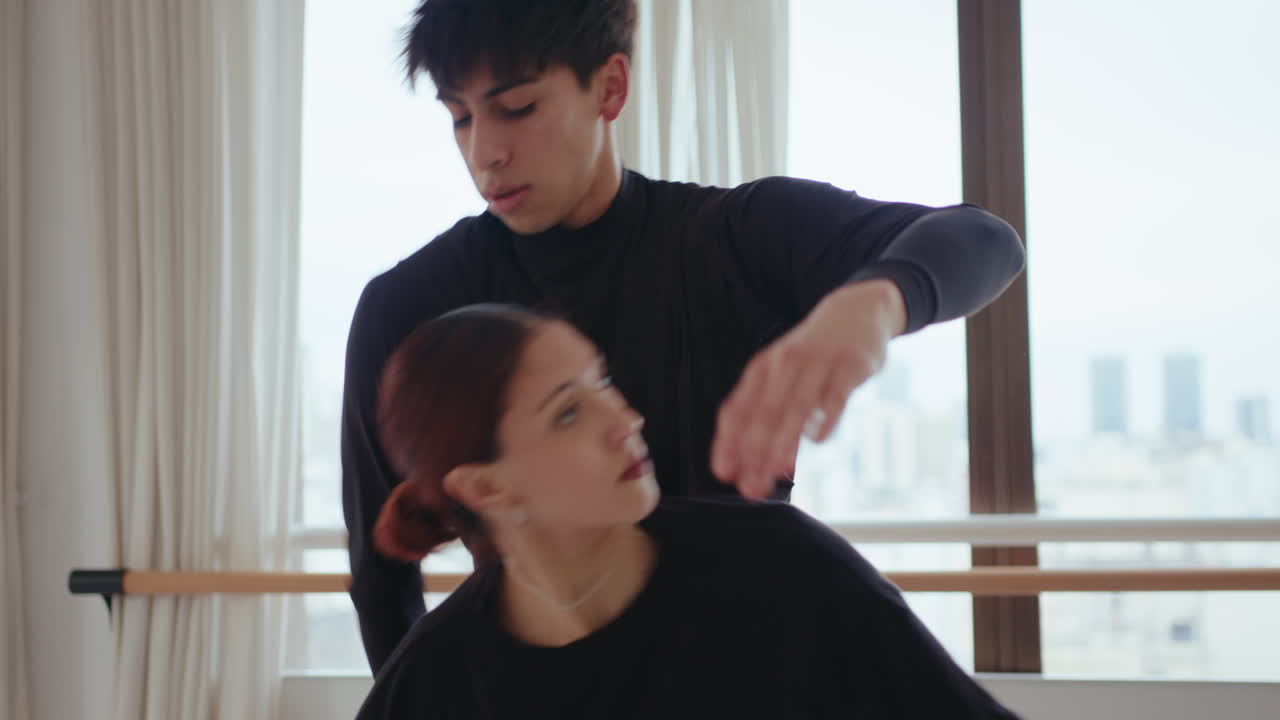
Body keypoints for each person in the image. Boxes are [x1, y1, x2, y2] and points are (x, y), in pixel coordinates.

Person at [343, 0, 1026, 672]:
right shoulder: (408, 307)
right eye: (459, 117)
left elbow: (984, 240)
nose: (484, 152)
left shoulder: (733, 241)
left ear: (610, 87)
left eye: (517, 107)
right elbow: (383, 587)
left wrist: (872, 307)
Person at [354, 304, 1020, 719]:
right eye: (567, 412)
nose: (625, 420)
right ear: (485, 488)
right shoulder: (433, 685)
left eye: (603, 382)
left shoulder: (783, 569)